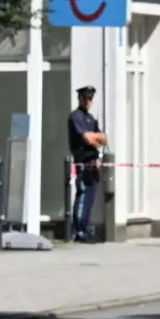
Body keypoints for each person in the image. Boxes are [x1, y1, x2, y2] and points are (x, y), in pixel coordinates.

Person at [68, 86, 107, 242]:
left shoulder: (91, 118)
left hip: (93, 163)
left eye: (90, 98)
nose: (88, 101)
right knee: (83, 196)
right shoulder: (75, 117)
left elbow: (103, 139)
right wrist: (94, 137)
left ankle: (86, 227)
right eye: (86, 98)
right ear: (80, 98)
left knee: (90, 198)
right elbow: (88, 139)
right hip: (83, 163)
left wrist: (95, 137)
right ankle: (79, 230)